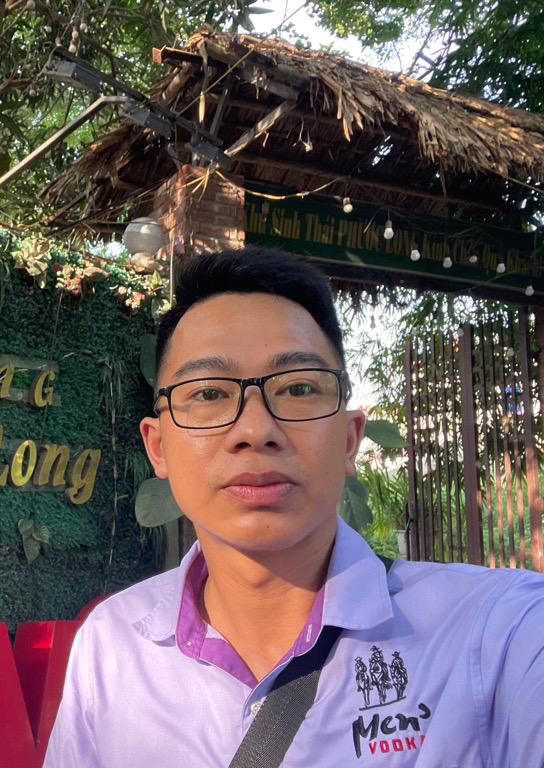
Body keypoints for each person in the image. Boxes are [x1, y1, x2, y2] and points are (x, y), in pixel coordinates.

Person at [43, 247, 544, 767]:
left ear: (349, 439)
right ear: (158, 447)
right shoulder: (111, 646)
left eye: (298, 387)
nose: (255, 430)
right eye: (209, 393)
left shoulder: (500, 636)